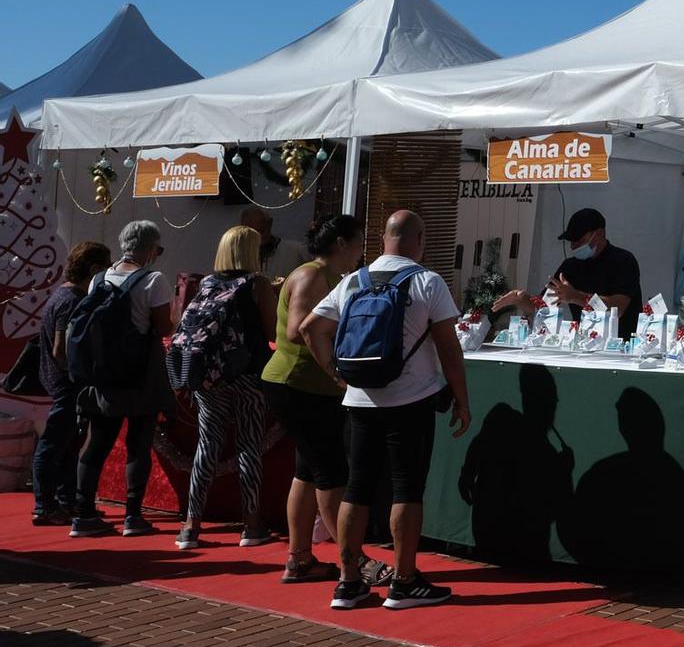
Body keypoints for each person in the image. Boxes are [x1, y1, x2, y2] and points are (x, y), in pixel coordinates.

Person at [302, 210, 470, 611]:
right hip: (410, 399)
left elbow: (310, 329)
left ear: (383, 240)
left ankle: (349, 582)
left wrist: (337, 375)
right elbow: (449, 346)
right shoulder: (427, 282)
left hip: (359, 400)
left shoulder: (351, 282)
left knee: (356, 488)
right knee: (406, 488)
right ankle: (405, 581)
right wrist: (462, 399)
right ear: (419, 240)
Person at [261, 213, 364, 582]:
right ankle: (355, 562)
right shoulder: (312, 274)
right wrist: (336, 366)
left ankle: (300, 557)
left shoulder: (334, 277)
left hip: (310, 386)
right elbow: (296, 330)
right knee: (329, 474)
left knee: (306, 472)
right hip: (298, 383)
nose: (360, 250)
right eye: (357, 241)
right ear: (341, 244)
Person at [69, 220, 176, 538]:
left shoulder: (99, 279)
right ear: (150, 249)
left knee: (97, 442)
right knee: (138, 445)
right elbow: (162, 328)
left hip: (104, 374)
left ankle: (83, 513)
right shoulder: (154, 279)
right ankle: (132, 516)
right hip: (140, 373)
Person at [178, 224, 279, 550]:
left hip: (209, 377)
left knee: (207, 445)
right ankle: (251, 524)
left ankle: (191, 525)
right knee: (249, 444)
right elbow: (272, 330)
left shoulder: (207, 283)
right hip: (248, 375)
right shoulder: (257, 284)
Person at [31, 242, 109, 525]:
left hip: (60, 383)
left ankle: (64, 501)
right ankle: (45, 506)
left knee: (66, 445)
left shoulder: (60, 296)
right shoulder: (72, 300)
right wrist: (77, 375)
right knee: (53, 445)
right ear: (94, 269)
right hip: (66, 385)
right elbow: (59, 348)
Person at [493, 207, 642, 338]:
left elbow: (618, 308)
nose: (573, 246)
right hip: (584, 344)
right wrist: (521, 300)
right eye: (571, 241)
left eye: (579, 240)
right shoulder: (570, 266)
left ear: (599, 234)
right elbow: (543, 306)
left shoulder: (623, 261)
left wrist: (575, 296)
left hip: (622, 347)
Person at [241, 205, 309, 286]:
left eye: (262, 231)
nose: (258, 238)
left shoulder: (297, 251)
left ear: (270, 224)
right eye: (252, 234)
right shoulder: (240, 257)